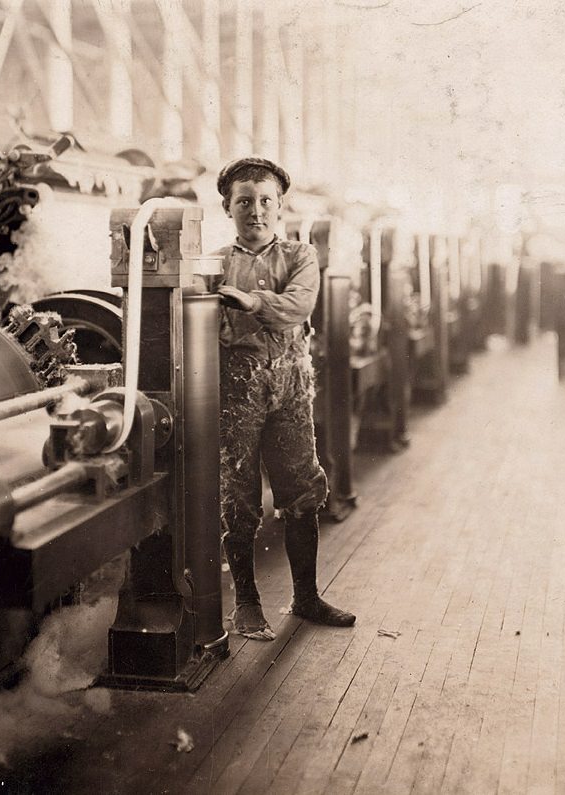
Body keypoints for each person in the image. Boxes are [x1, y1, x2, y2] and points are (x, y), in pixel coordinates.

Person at [213, 157, 356, 641]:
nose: (256, 210)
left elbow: (300, 304)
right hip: (237, 390)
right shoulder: (214, 264)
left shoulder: (300, 256)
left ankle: (306, 596)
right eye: (244, 202)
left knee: (302, 489)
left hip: (291, 387)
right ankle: (247, 605)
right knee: (239, 497)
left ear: (280, 205)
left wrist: (252, 302)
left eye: (265, 201)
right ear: (227, 207)